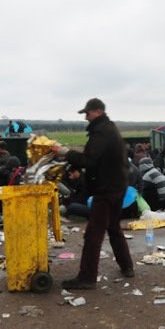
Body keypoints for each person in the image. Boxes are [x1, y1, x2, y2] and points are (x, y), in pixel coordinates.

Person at [52, 98, 134, 290]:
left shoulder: (102, 131)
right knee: (114, 227)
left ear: (97, 111)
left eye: (87, 114)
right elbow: (96, 159)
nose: (86, 118)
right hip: (117, 186)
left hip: (107, 189)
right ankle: (127, 266)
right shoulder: (109, 129)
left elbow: (89, 160)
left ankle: (87, 278)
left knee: (93, 234)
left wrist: (64, 152)